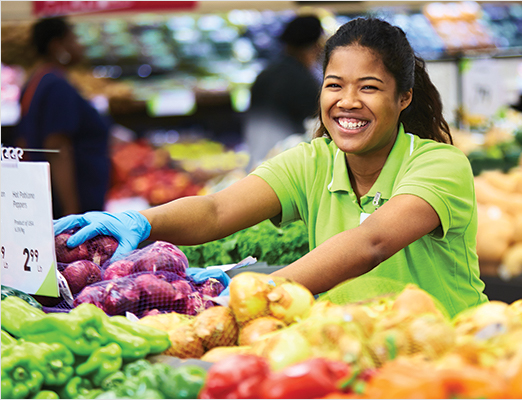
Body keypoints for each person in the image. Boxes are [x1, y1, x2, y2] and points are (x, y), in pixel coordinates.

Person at [55, 17, 488, 318]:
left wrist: (257, 291)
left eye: (369, 88)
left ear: (404, 98)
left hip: (449, 357)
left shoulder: (440, 164)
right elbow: (217, 212)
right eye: (334, 85)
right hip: (355, 354)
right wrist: (139, 221)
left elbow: (371, 242)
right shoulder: (313, 160)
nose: (348, 102)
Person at [16, 17, 112, 219]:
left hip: (47, 196)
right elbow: (58, 147)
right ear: (57, 46)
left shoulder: (36, 80)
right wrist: (72, 211)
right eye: (74, 38)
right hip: (73, 203)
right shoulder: (57, 87)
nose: (81, 45)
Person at [243, 14, 324, 171]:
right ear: (315, 47)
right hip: (286, 167)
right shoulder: (304, 81)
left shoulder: (264, 75)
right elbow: (314, 131)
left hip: (257, 163)